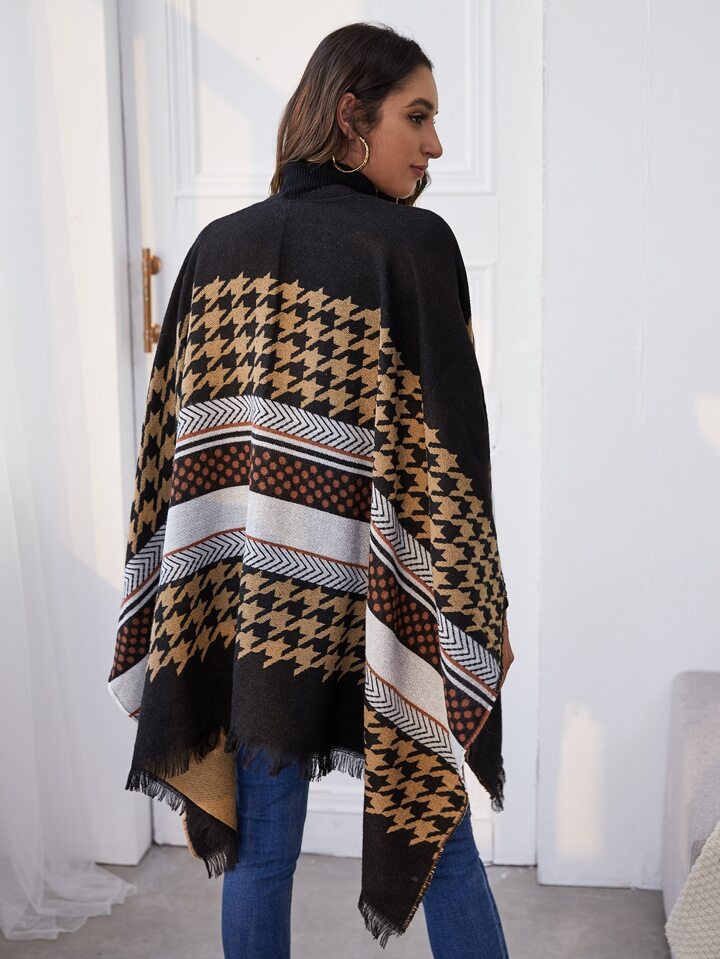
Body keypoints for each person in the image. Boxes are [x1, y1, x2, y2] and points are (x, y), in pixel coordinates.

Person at [109, 19, 513, 958]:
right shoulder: (413, 248)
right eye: (418, 117)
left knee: (260, 853)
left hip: (256, 605)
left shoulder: (216, 249)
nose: (436, 144)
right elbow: (455, 457)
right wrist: (474, 599)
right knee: (438, 835)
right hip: (382, 596)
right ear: (351, 116)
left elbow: (175, 455)